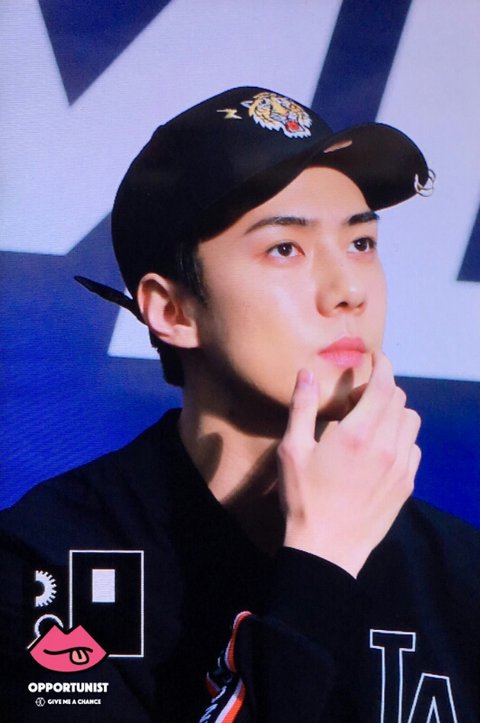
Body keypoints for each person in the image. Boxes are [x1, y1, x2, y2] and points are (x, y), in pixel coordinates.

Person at [1, 87, 479, 722]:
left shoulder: (461, 571)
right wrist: (322, 559)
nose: (349, 290)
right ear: (172, 310)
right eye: (285, 249)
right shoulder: (55, 562)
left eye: (361, 243)